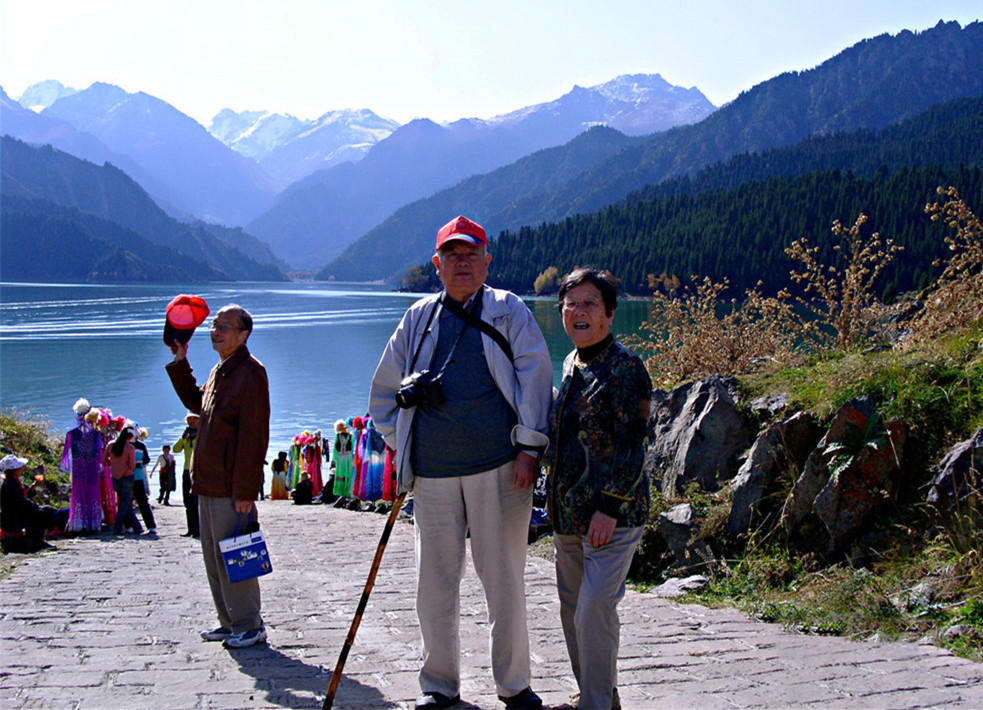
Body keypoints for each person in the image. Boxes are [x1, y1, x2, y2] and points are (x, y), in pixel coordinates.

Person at [369, 215, 552, 710]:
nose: (463, 263)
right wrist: (400, 444)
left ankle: (514, 685)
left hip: (500, 467)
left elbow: (536, 376)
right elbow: (384, 392)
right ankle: (438, 686)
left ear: (487, 260)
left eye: (472, 254)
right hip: (432, 476)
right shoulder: (418, 318)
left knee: (505, 581)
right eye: (452, 255)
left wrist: (530, 449)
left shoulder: (507, 310)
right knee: (434, 585)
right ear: (437, 264)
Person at [546, 268, 652, 710]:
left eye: (590, 303)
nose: (579, 312)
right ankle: (595, 695)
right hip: (568, 515)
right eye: (571, 304)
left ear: (609, 314)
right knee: (573, 610)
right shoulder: (573, 364)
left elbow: (635, 444)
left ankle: (596, 705)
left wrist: (610, 506)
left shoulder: (626, 369)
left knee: (594, 609)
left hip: (613, 518)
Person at [165, 303, 271, 649]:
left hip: (229, 486)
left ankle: (249, 624)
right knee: (213, 556)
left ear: (243, 335)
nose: (216, 330)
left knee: (236, 556)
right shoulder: (220, 370)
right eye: (214, 324)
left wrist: (245, 492)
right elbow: (198, 404)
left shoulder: (251, 373)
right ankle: (229, 621)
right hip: (207, 481)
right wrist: (181, 361)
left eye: (225, 326)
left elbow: (254, 437)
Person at [0, 454, 59, 552]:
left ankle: (38, 540)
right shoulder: (9, 485)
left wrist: (33, 487)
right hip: (12, 519)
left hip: (16, 514)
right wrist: (36, 507)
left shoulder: (13, 482)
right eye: (19, 468)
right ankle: (36, 542)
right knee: (40, 512)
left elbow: (23, 499)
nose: (22, 469)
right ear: (14, 471)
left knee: (43, 510)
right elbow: (21, 502)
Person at [101, 428, 143, 535]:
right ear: (129, 437)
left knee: (126, 503)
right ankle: (118, 528)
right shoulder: (130, 448)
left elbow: (104, 460)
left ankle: (138, 528)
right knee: (123, 505)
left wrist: (114, 464)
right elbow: (132, 465)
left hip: (115, 478)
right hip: (127, 478)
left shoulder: (111, 445)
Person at [173, 414, 200, 537]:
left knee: (197, 502)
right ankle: (191, 529)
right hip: (186, 471)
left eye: (194, 419)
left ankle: (199, 529)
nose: (191, 421)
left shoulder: (203, 434)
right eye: (189, 419)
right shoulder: (187, 436)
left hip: (199, 472)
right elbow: (176, 449)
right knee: (188, 502)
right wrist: (183, 438)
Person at [130, 428, 157, 534]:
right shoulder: (133, 446)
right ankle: (130, 525)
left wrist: (138, 464)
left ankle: (150, 526)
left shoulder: (140, 446)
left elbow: (147, 459)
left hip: (136, 477)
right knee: (130, 502)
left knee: (142, 502)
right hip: (131, 476)